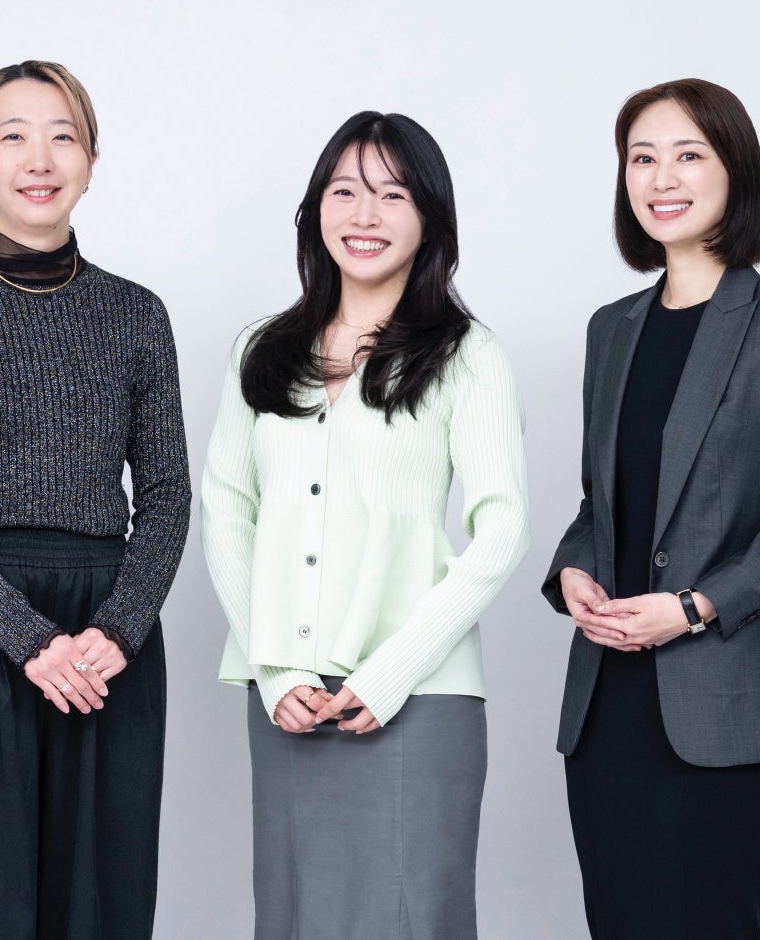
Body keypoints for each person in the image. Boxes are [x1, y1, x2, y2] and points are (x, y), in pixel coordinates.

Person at [0, 60, 191, 940]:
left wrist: (118, 631)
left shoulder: (136, 314)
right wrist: (27, 638)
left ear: (91, 159)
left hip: (104, 637)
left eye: (63, 136)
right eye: (12, 136)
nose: (39, 158)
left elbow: (167, 494)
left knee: (98, 898)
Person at [201, 110, 530, 940]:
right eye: (345, 191)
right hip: (288, 700)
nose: (365, 214)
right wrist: (274, 670)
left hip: (419, 700)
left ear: (430, 218)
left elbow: (503, 530)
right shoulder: (261, 350)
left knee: (412, 917)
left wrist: (390, 675)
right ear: (316, 208)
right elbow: (227, 510)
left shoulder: (468, 355)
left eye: (393, 194)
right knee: (295, 916)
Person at [543, 78, 760, 938]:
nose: (662, 178)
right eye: (642, 158)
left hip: (727, 696)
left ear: (734, 171)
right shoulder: (612, 329)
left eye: (688, 154)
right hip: (609, 698)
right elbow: (601, 502)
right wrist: (572, 572)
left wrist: (691, 607)